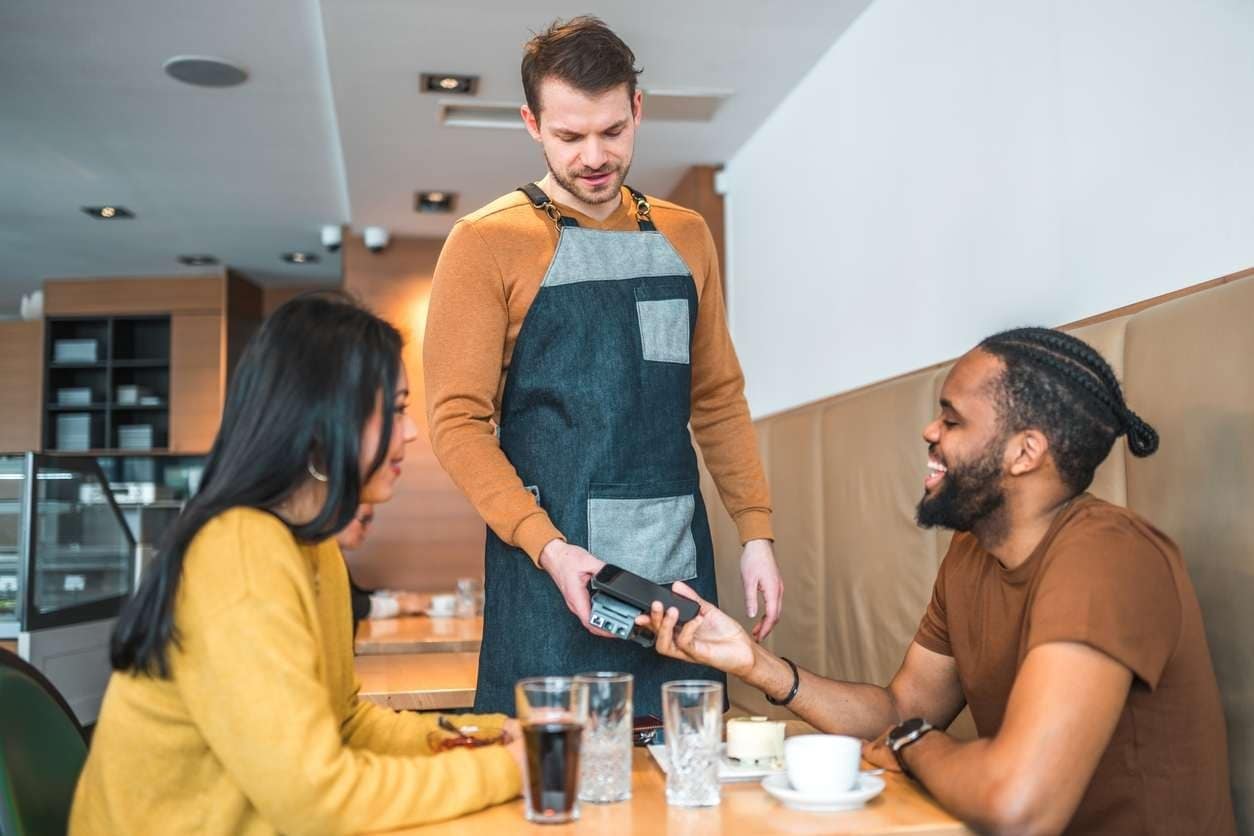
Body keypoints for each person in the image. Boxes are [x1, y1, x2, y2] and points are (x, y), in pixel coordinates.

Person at [640, 327, 1236, 835]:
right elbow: (901, 706)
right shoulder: (973, 551)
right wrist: (754, 664)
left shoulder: (1106, 556)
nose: (930, 431)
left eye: (951, 419)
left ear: (1025, 452)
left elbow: (1019, 806)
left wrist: (913, 742)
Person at [424, 15, 782, 715]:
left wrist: (756, 532)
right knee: (550, 777)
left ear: (637, 109)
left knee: (681, 764)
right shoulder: (485, 243)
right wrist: (550, 550)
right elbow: (456, 424)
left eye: (612, 131)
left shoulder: (686, 234)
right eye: (569, 136)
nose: (594, 156)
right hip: (547, 575)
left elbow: (716, 398)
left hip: (675, 577)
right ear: (532, 123)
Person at [71, 293, 523, 834]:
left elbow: (346, 723)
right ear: (323, 418)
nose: (410, 432)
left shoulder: (312, 544)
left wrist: (492, 737)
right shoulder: (240, 552)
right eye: (397, 409)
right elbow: (318, 801)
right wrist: (509, 769)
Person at [336, 503, 425, 627]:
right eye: (364, 520)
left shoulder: (335, 555)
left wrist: (394, 597)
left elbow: (354, 595)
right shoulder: (322, 555)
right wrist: (399, 605)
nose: (368, 530)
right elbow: (350, 605)